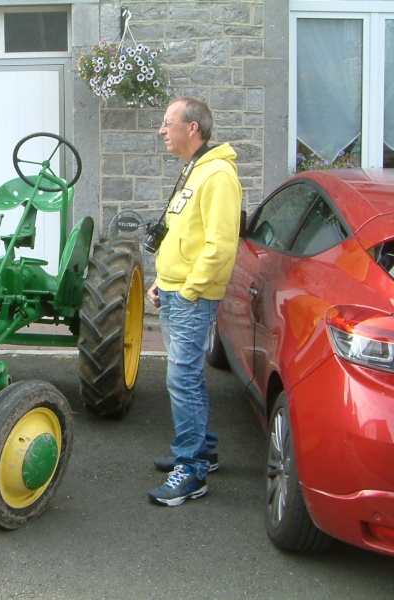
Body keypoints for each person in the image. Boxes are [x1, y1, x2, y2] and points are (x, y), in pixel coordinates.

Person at [146, 96, 242, 507]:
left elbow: (220, 245)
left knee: (181, 379)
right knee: (187, 378)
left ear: (193, 129)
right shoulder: (193, 169)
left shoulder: (218, 175)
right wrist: (161, 282)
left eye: (168, 123)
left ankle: (192, 470)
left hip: (191, 295)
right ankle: (204, 448)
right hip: (173, 288)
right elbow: (181, 232)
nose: (162, 130)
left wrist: (188, 290)